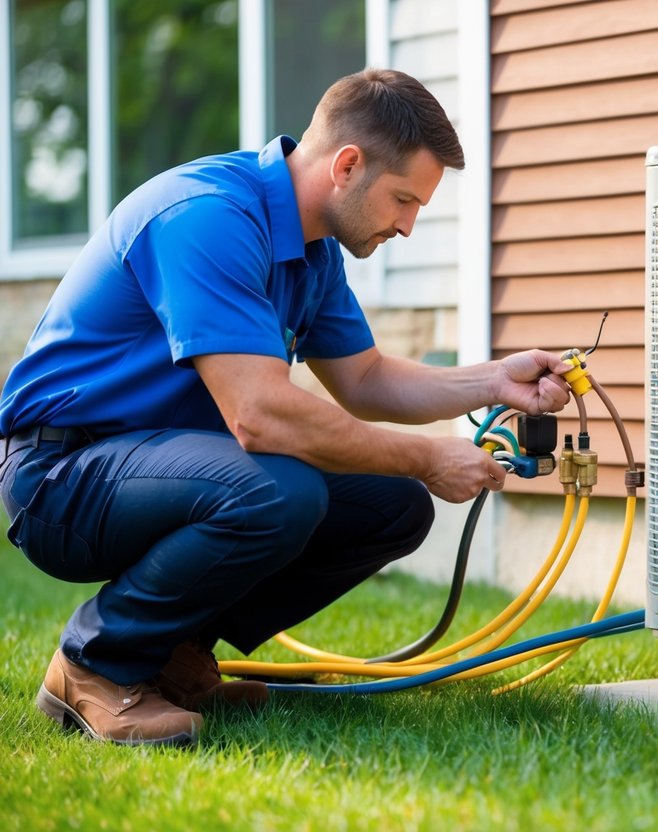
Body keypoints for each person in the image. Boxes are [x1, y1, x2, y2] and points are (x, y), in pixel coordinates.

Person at [0, 68, 571, 747]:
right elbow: (259, 416)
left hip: (158, 463)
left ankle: (174, 657)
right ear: (348, 165)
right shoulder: (206, 215)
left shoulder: (312, 250)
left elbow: (364, 379)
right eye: (402, 200)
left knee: (393, 503)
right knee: (282, 489)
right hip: (61, 472)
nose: (408, 226)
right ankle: (95, 664)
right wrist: (426, 455)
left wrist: (491, 382)